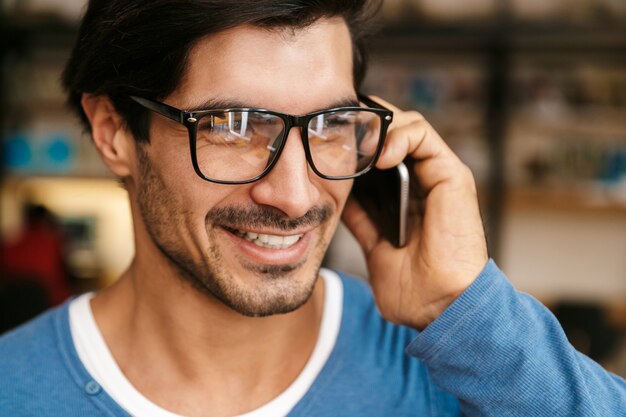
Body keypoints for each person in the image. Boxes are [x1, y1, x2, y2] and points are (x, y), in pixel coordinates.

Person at [0, 1, 624, 416]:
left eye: (329, 124)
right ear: (114, 131)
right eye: (233, 125)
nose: (297, 195)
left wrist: (468, 312)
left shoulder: (457, 374)